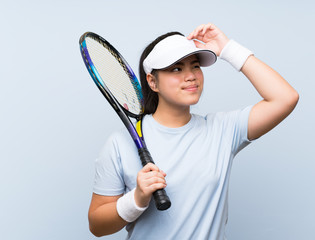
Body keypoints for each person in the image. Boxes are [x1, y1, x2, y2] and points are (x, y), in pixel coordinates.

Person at [88, 23, 299, 239]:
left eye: (195, 66)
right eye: (177, 69)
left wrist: (228, 48)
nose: (191, 76)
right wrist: (136, 199)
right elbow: (97, 225)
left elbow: (285, 98)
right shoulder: (120, 144)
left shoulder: (223, 130)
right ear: (152, 81)